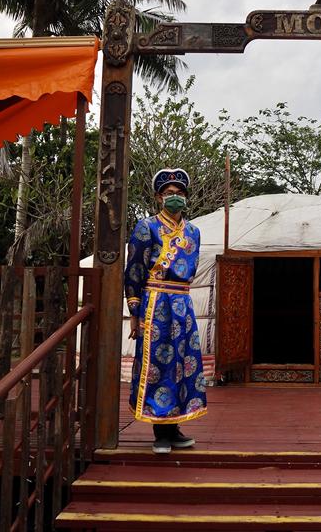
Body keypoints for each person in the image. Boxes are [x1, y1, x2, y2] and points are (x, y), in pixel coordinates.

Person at [124, 168, 207, 454]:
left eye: (180, 193)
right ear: (159, 197)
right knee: (158, 365)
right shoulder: (146, 227)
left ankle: (175, 427)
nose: (175, 197)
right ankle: (160, 431)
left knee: (183, 364)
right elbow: (134, 271)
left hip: (182, 303)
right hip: (155, 302)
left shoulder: (194, 232)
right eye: (169, 193)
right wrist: (134, 312)